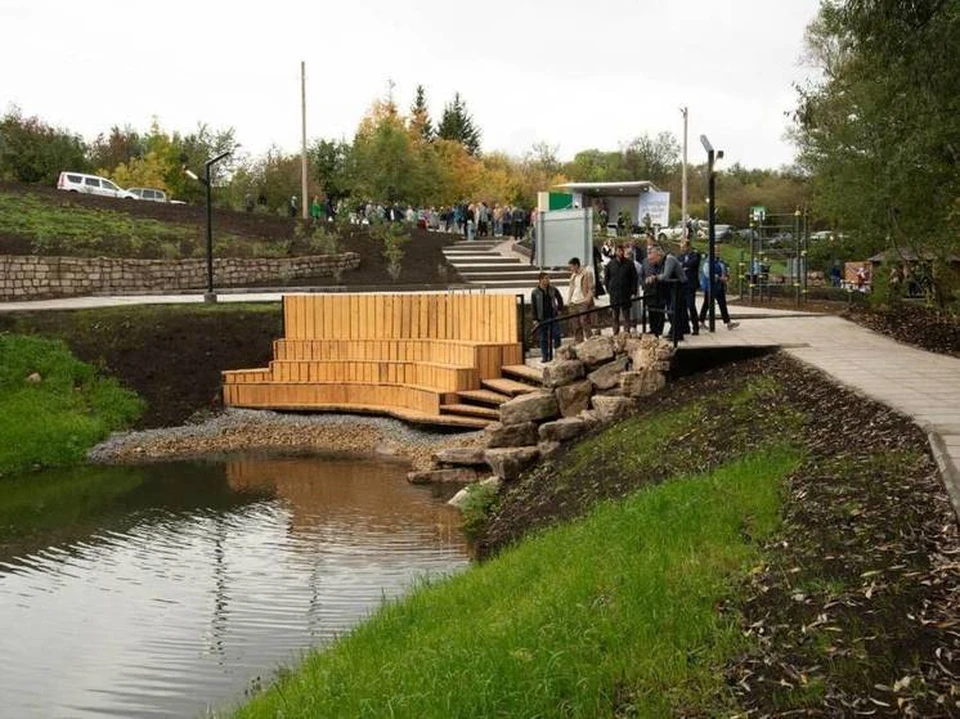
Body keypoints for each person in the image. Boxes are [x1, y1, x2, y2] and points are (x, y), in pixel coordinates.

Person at [642, 245, 687, 341]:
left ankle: (678, 334)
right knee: (670, 310)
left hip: (679, 287)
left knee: (673, 310)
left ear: (658, 256)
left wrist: (654, 277)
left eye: (653, 259)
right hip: (671, 288)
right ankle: (674, 332)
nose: (652, 262)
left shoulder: (669, 259)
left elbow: (665, 276)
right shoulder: (661, 263)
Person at [605, 244, 638, 335]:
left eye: (622, 251)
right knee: (615, 315)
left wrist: (633, 291)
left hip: (625, 293)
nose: (620, 253)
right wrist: (609, 289)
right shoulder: (610, 264)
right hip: (614, 294)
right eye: (618, 251)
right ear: (615, 252)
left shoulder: (629, 264)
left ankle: (626, 333)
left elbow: (634, 278)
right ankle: (615, 333)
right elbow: (607, 278)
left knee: (626, 315)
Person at [531, 272, 564, 363]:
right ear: (540, 280)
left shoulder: (553, 289)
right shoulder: (535, 292)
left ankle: (558, 354)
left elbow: (559, 298)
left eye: (548, 278)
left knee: (556, 335)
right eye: (545, 278)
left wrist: (559, 309)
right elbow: (534, 306)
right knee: (543, 338)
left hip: (553, 315)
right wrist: (535, 318)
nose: (547, 280)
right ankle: (545, 356)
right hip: (542, 318)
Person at [699, 255, 738, 330]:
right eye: (716, 250)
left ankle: (728, 322)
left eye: (718, 250)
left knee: (722, 304)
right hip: (710, 287)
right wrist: (720, 278)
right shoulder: (707, 262)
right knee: (707, 304)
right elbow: (708, 274)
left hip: (719, 286)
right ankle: (701, 321)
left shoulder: (720, 262)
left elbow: (724, 271)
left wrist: (726, 277)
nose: (718, 252)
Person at [566, 257, 595, 343]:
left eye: (571, 267)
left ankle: (590, 340)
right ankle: (579, 341)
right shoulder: (573, 275)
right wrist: (569, 299)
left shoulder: (587, 273)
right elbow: (571, 288)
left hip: (583, 301)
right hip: (574, 301)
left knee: (584, 322)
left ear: (576, 265)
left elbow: (591, 288)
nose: (570, 269)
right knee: (575, 324)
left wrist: (587, 299)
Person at [677, 238, 701, 335]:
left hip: (691, 284)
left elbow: (692, 263)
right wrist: (683, 265)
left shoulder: (695, 255)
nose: (682, 249)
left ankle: (696, 327)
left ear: (688, 247)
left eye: (683, 247)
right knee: (682, 307)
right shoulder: (680, 256)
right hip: (682, 284)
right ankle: (685, 327)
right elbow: (678, 266)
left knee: (691, 305)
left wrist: (683, 265)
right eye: (681, 247)